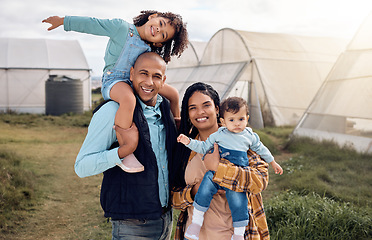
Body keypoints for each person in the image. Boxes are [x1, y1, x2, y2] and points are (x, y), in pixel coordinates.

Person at [43, 10, 188, 173]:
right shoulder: (122, 29)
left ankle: (177, 132)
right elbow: (93, 24)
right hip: (114, 82)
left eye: (163, 35)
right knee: (129, 100)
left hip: (134, 82)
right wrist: (64, 21)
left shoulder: (148, 49)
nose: (158, 30)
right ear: (152, 17)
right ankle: (126, 149)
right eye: (160, 24)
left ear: (160, 44)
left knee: (173, 94)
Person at [74, 52, 178, 240]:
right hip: (132, 225)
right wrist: (124, 151)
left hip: (165, 218)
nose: (149, 82)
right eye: (143, 74)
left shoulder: (165, 107)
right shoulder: (112, 111)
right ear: (131, 74)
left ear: (163, 80)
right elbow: (81, 167)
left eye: (156, 76)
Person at [172, 82, 270, 240]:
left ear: (217, 109)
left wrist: (220, 170)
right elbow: (174, 198)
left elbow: (260, 180)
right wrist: (194, 191)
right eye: (193, 108)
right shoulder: (186, 148)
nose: (200, 112)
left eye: (206, 105)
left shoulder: (240, 139)